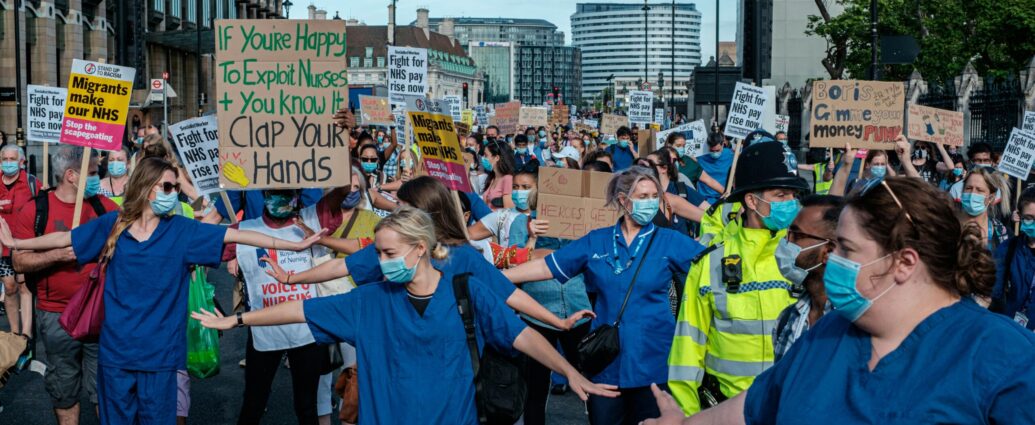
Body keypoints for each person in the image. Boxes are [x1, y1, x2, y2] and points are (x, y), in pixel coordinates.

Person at [644, 177, 1035, 425]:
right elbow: (752, 409)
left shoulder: (1001, 355)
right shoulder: (829, 333)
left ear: (904, 262)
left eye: (846, 248)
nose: (831, 259)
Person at [192, 206, 619, 424]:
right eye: (378, 253)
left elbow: (522, 336)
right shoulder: (370, 301)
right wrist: (238, 321)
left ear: (420, 248)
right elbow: (301, 309)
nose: (380, 261)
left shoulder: (465, 291)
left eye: (389, 253)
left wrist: (571, 371)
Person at [0, 157, 327, 424]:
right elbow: (64, 239)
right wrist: (16, 242)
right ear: (147, 188)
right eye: (168, 186)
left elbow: (236, 236)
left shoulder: (182, 229)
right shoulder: (115, 225)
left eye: (175, 186)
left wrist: (291, 245)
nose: (174, 193)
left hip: (161, 359)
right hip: (115, 356)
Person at [504, 166, 707, 424]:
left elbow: (710, 267)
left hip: (653, 363)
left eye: (654, 195)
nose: (651, 202)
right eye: (643, 196)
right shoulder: (597, 240)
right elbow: (548, 266)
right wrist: (500, 278)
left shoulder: (669, 241)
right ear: (623, 201)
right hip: (605, 366)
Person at [668, 141, 809, 415]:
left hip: (793, 411)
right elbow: (687, 351)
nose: (790, 203)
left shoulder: (805, 258)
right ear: (751, 200)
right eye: (780, 195)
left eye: (794, 195)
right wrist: (689, 418)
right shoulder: (710, 263)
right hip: (728, 412)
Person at [221, 185, 347, 425]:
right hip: (264, 329)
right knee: (253, 403)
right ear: (264, 196)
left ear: (297, 196)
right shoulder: (243, 230)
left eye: (287, 193)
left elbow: (341, 192)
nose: (280, 199)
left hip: (306, 330)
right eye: (273, 193)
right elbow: (203, 247)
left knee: (306, 405)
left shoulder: (311, 218)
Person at [10, 145, 117, 424]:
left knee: (105, 391)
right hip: (56, 315)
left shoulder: (105, 208)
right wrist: (58, 254)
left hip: (100, 313)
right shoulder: (35, 209)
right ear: (71, 175)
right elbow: (19, 262)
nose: (98, 177)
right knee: (63, 390)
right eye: (92, 172)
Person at [771, 195, 842, 362]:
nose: (786, 243)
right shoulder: (787, 318)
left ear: (829, 251)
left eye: (797, 235)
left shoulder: (852, 326)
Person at [0, 145, 40, 347]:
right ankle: (14, 333)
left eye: (12, 158)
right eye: (4, 159)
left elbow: (43, 208)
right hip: (2, 248)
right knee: (9, 287)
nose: (8, 163)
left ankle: (26, 335)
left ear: (22, 161)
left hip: (25, 244)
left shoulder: (32, 183)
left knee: (24, 286)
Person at [991, 186, 1035, 330]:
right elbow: (992, 293)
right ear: (1019, 216)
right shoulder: (1008, 249)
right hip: (1009, 329)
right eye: (1029, 218)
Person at [957, 166, 1009, 251]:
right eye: (968, 188)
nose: (972, 193)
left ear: (991, 198)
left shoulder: (1000, 231)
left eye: (979, 190)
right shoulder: (949, 224)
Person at [695, 133, 733, 205]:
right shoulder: (700, 157)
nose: (715, 153)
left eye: (717, 150)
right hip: (705, 199)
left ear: (723, 144)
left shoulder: (730, 155)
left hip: (724, 198)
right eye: (712, 151)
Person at [481, 140, 517, 210]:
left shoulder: (507, 178)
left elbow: (508, 210)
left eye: (486, 155)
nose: (483, 158)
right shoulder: (492, 178)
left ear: (497, 158)